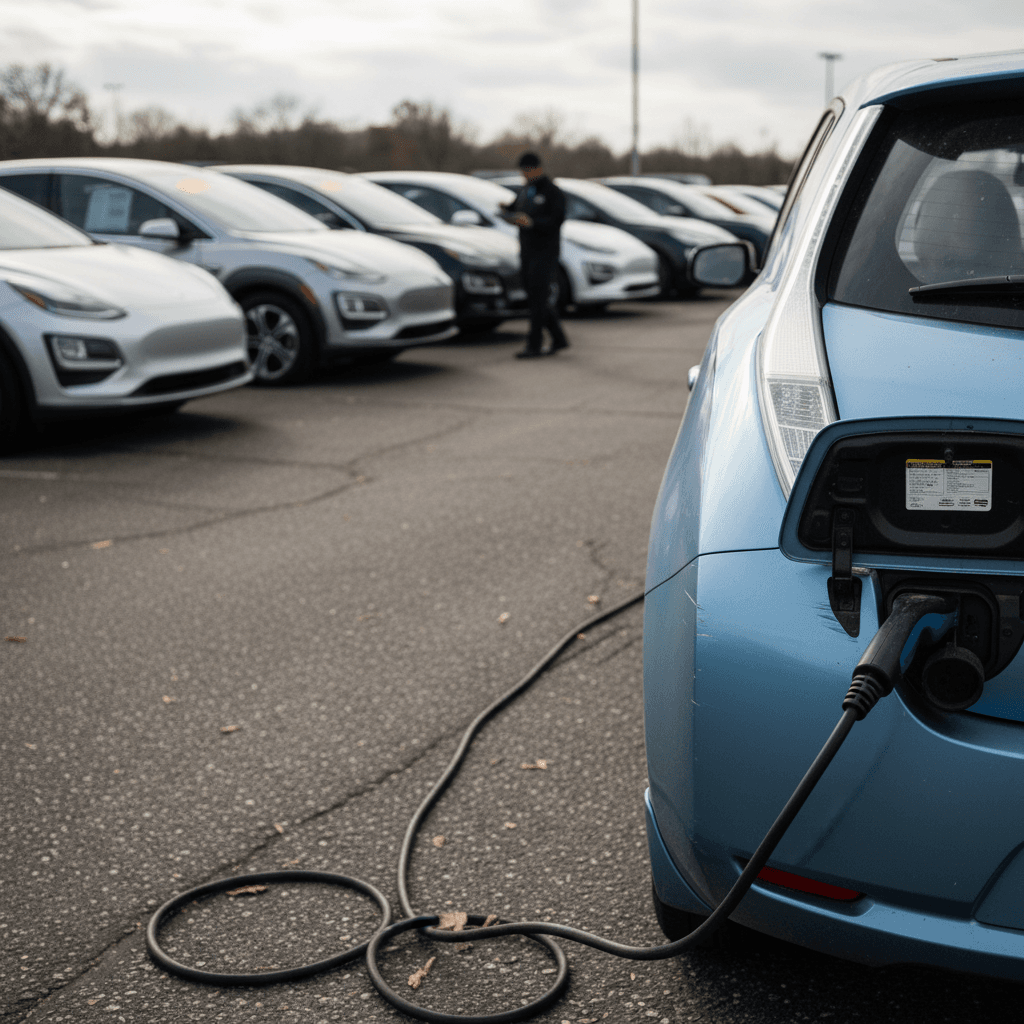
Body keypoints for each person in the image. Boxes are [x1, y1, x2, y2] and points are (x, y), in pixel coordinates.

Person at [501, 152, 569, 358]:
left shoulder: (552, 192)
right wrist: (507, 212)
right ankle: (559, 338)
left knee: (538, 298)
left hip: (545, 252)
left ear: (537, 168)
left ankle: (534, 345)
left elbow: (556, 220)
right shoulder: (526, 190)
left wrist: (532, 223)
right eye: (522, 171)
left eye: (527, 171)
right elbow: (516, 208)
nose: (524, 175)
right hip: (527, 251)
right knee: (535, 297)